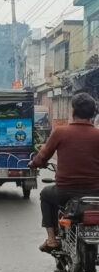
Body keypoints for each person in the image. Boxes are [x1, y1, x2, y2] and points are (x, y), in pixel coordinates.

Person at [29, 92, 99, 253]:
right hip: (96, 192)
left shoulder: (60, 132)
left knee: (46, 194)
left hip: (65, 192)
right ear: (93, 113)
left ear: (72, 111)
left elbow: (42, 157)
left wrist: (34, 163)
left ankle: (52, 240)